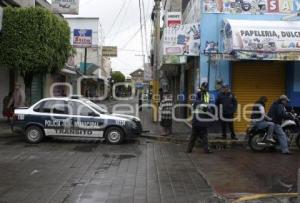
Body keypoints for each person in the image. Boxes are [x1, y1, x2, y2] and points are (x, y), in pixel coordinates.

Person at [186, 82, 213, 154]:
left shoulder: (195, 103)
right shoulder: (205, 104)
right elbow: (209, 112)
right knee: (204, 136)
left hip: (195, 122)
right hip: (202, 123)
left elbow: (192, 110)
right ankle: (206, 150)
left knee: (193, 137)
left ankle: (189, 150)